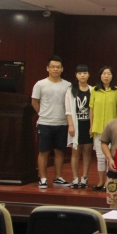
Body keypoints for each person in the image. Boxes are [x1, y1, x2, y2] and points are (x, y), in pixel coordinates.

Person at [31, 55, 71, 189]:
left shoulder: (68, 85)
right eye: (53, 67)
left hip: (62, 123)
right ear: (47, 68)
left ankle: (58, 177)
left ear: (62, 69)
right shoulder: (40, 84)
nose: (55, 69)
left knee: (60, 152)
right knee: (43, 152)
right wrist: (43, 113)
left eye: (58, 67)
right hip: (45, 123)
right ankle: (43, 178)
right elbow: (34, 102)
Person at [89, 66, 117, 191]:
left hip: (112, 129)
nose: (106, 76)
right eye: (104, 73)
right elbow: (91, 109)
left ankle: (108, 181)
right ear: (100, 76)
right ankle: (101, 181)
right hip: (97, 128)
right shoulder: (94, 90)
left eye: (109, 74)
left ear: (112, 76)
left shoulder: (116, 91)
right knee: (100, 157)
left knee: (110, 157)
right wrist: (91, 125)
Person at [65, 64, 92, 188]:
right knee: (75, 152)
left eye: (85, 73)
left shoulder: (92, 90)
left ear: (88, 75)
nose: (82, 75)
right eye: (80, 73)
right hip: (76, 125)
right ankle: (75, 178)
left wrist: (92, 126)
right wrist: (70, 125)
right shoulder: (71, 90)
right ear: (76, 75)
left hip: (88, 125)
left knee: (87, 152)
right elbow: (68, 110)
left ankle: (84, 177)